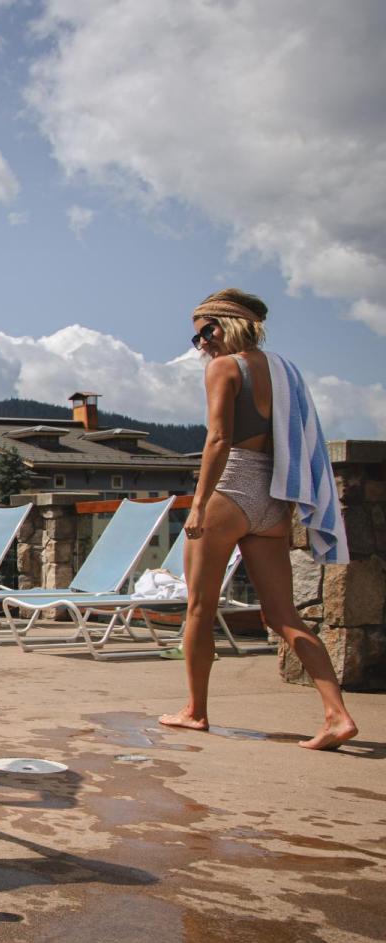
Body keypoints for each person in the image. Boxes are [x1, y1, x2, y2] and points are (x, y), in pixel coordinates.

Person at [159, 288, 359, 751]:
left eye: (201, 335)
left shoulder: (224, 368)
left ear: (221, 326)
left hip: (230, 489)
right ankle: (337, 714)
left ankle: (195, 711)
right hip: (275, 495)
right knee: (283, 614)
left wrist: (199, 504)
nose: (201, 347)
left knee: (199, 609)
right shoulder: (284, 371)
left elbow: (218, 439)